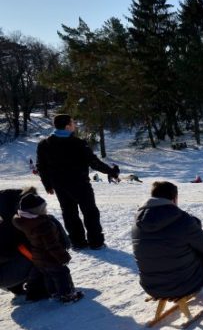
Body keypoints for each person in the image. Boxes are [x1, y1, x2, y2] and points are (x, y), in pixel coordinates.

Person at [36, 114, 119, 250]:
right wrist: (112, 172)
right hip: (80, 184)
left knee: (69, 213)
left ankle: (78, 242)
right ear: (67, 126)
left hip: (60, 186)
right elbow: (94, 163)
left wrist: (48, 185)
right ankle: (96, 242)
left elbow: (41, 166)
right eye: (73, 123)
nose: (75, 125)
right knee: (90, 212)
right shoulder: (78, 143)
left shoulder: (44, 144)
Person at [12, 193, 83, 303]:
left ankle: (53, 293)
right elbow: (52, 245)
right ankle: (67, 295)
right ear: (35, 211)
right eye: (43, 208)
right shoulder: (44, 225)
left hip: (37, 257)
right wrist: (63, 257)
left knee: (48, 275)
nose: (46, 209)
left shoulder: (22, 221)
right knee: (62, 274)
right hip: (50, 257)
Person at [0, 188, 48, 301]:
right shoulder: (14, 226)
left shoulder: (8, 219)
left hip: (5, 272)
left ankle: (14, 286)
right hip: (4, 275)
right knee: (41, 252)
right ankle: (37, 290)